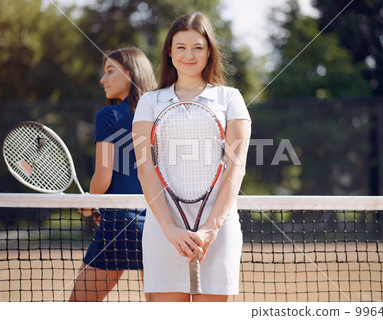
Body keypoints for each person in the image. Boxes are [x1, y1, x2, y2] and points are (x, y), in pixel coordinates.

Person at [132, 12, 251, 302]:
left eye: (198, 47)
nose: (189, 54)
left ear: (209, 52)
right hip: (163, 230)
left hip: (218, 231)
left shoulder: (231, 98)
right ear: (170, 52)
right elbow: (145, 169)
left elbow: (236, 168)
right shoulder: (149, 102)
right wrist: (171, 230)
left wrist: (211, 228)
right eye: (181, 47)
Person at [69, 47, 157, 302]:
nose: (102, 79)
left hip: (119, 225)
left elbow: (103, 176)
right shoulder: (160, 115)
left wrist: (90, 203)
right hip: (158, 226)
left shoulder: (108, 115)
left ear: (131, 74)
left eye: (110, 71)